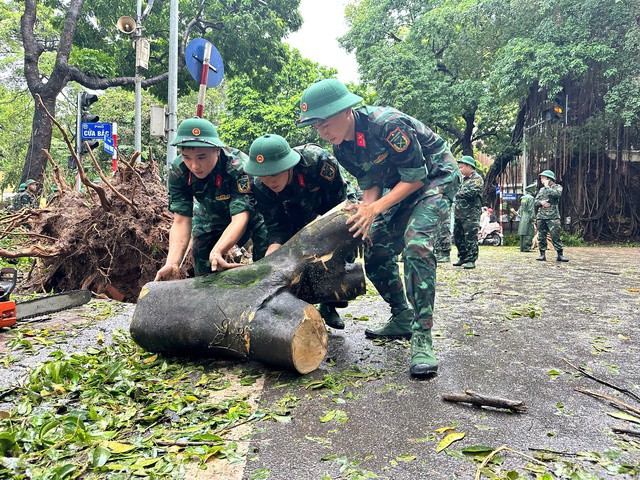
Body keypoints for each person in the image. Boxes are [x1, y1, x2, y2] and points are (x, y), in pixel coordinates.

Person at [297, 78, 460, 378]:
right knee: (373, 248)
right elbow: (370, 182)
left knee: (416, 246)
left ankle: (422, 338)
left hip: (435, 179)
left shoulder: (387, 125)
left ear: (346, 111)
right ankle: (402, 315)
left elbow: (416, 178)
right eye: (315, 125)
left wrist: (374, 208)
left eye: (324, 121)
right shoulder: (342, 148)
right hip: (401, 186)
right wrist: (365, 211)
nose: (321, 130)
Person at [244, 133, 357, 329]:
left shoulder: (318, 162)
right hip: (293, 214)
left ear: (289, 166)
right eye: (264, 174)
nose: (270, 181)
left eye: (275, 173)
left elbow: (340, 204)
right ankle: (286, 309)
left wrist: (329, 236)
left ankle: (329, 304)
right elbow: (275, 223)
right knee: (272, 253)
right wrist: (275, 246)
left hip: (331, 207)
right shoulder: (259, 186)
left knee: (333, 251)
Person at [155, 117, 269, 281]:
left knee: (266, 250)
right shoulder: (178, 172)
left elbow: (240, 216)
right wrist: (172, 263)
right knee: (202, 255)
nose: (194, 166)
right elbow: (181, 220)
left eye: (201, 157)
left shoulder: (238, 166)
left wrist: (219, 250)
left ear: (217, 150)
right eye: (187, 157)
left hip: (250, 214)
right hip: (210, 214)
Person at [452, 156, 483, 269]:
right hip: (459, 213)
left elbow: (472, 192)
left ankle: (471, 259)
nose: (460, 170)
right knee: (457, 236)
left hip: (471, 214)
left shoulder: (477, 179)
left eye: (462, 167)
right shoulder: (464, 180)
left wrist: (457, 193)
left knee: (470, 237)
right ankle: (463, 256)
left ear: (469, 166)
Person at [534, 170, 568, 262]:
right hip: (541, 216)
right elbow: (535, 201)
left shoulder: (558, 187)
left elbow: (556, 194)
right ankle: (542, 254)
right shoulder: (541, 190)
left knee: (555, 235)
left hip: (553, 216)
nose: (541, 180)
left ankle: (560, 255)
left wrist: (547, 187)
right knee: (541, 236)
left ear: (549, 179)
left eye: (543, 178)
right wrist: (541, 202)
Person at [511, 183, 537, 252]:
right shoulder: (531, 198)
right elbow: (531, 209)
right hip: (528, 215)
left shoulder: (523, 198)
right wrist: (533, 219)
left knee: (523, 231)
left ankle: (522, 247)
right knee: (529, 231)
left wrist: (518, 213)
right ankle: (527, 248)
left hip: (523, 216)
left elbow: (521, 208)